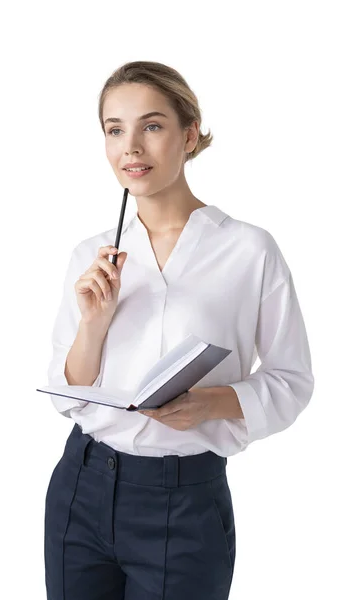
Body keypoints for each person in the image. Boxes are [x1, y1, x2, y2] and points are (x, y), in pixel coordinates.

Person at [44, 60, 314, 600]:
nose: (131, 148)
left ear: (189, 135)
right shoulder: (91, 256)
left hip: (184, 503)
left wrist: (212, 403)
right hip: (81, 485)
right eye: (114, 129)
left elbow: (292, 380)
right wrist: (94, 323)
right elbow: (67, 392)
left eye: (152, 125)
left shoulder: (248, 250)